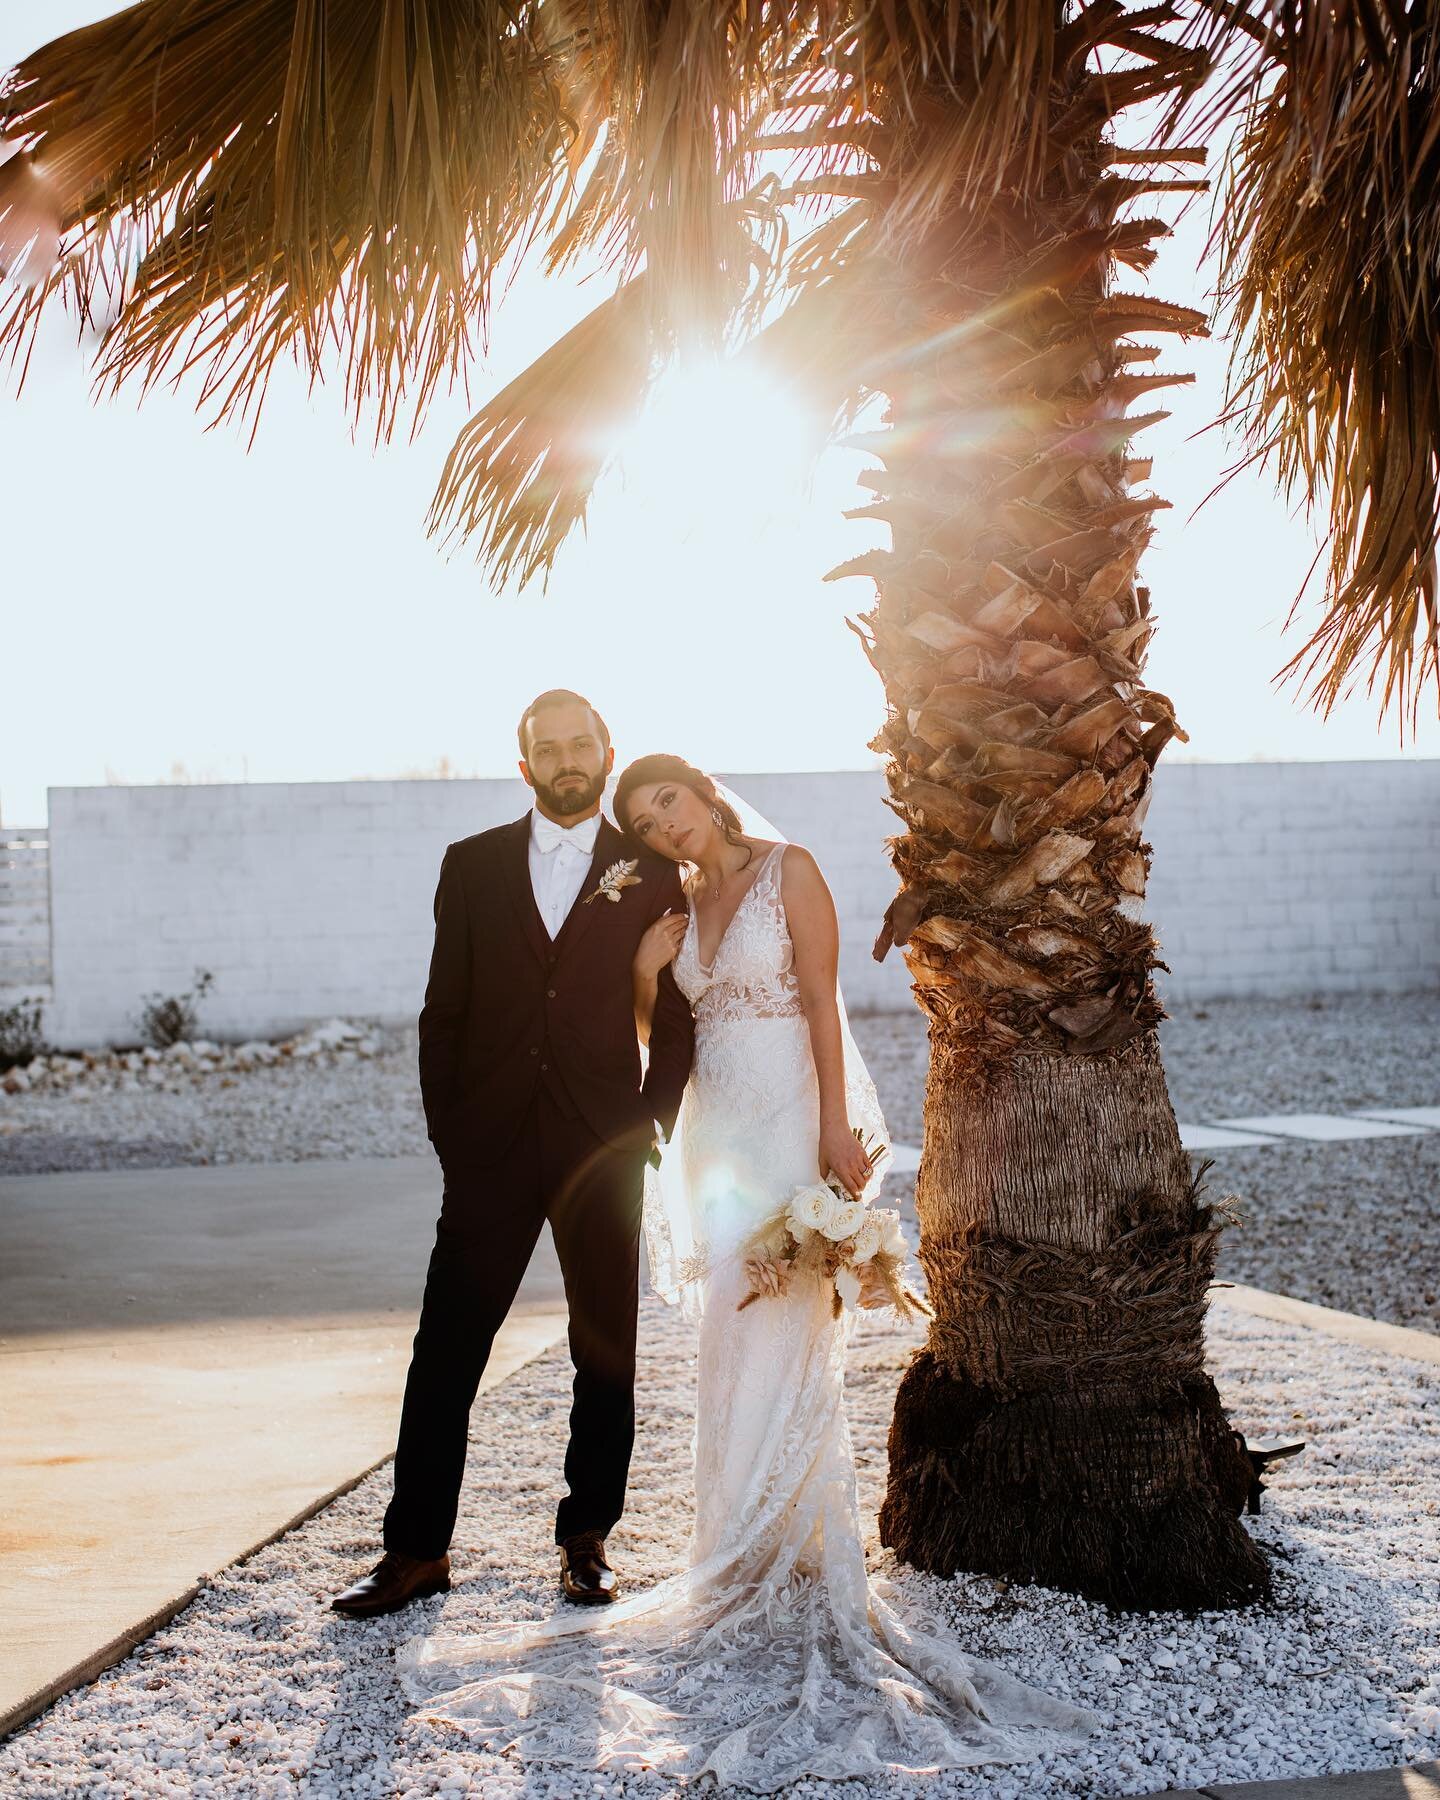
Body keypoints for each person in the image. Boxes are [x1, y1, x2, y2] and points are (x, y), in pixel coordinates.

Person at [396, 754, 1095, 1787]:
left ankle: (797, 1548)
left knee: (788, 1316)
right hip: (713, 1134)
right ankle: (732, 1544)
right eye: (646, 819)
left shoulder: (788, 869)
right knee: (730, 1326)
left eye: (668, 801)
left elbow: (823, 1005)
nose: (665, 826)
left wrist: (832, 1132)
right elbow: (658, 1032)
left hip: (785, 1119)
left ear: (704, 792)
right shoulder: (674, 902)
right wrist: (643, 973)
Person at [330, 696, 694, 1620]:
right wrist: (451, 1131)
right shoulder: (472, 864)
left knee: (604, 1348)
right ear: (524, 763)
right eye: (549, 749)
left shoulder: (653, 870)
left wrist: (651, 1120)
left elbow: (680, 1012)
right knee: (446, 1348)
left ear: (607, 755)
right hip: (489, 1147)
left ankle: (587, 1539)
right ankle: (415, 1550)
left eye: (582, 745)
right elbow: (442, 1008)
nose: (567, 760)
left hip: (600, 1146)